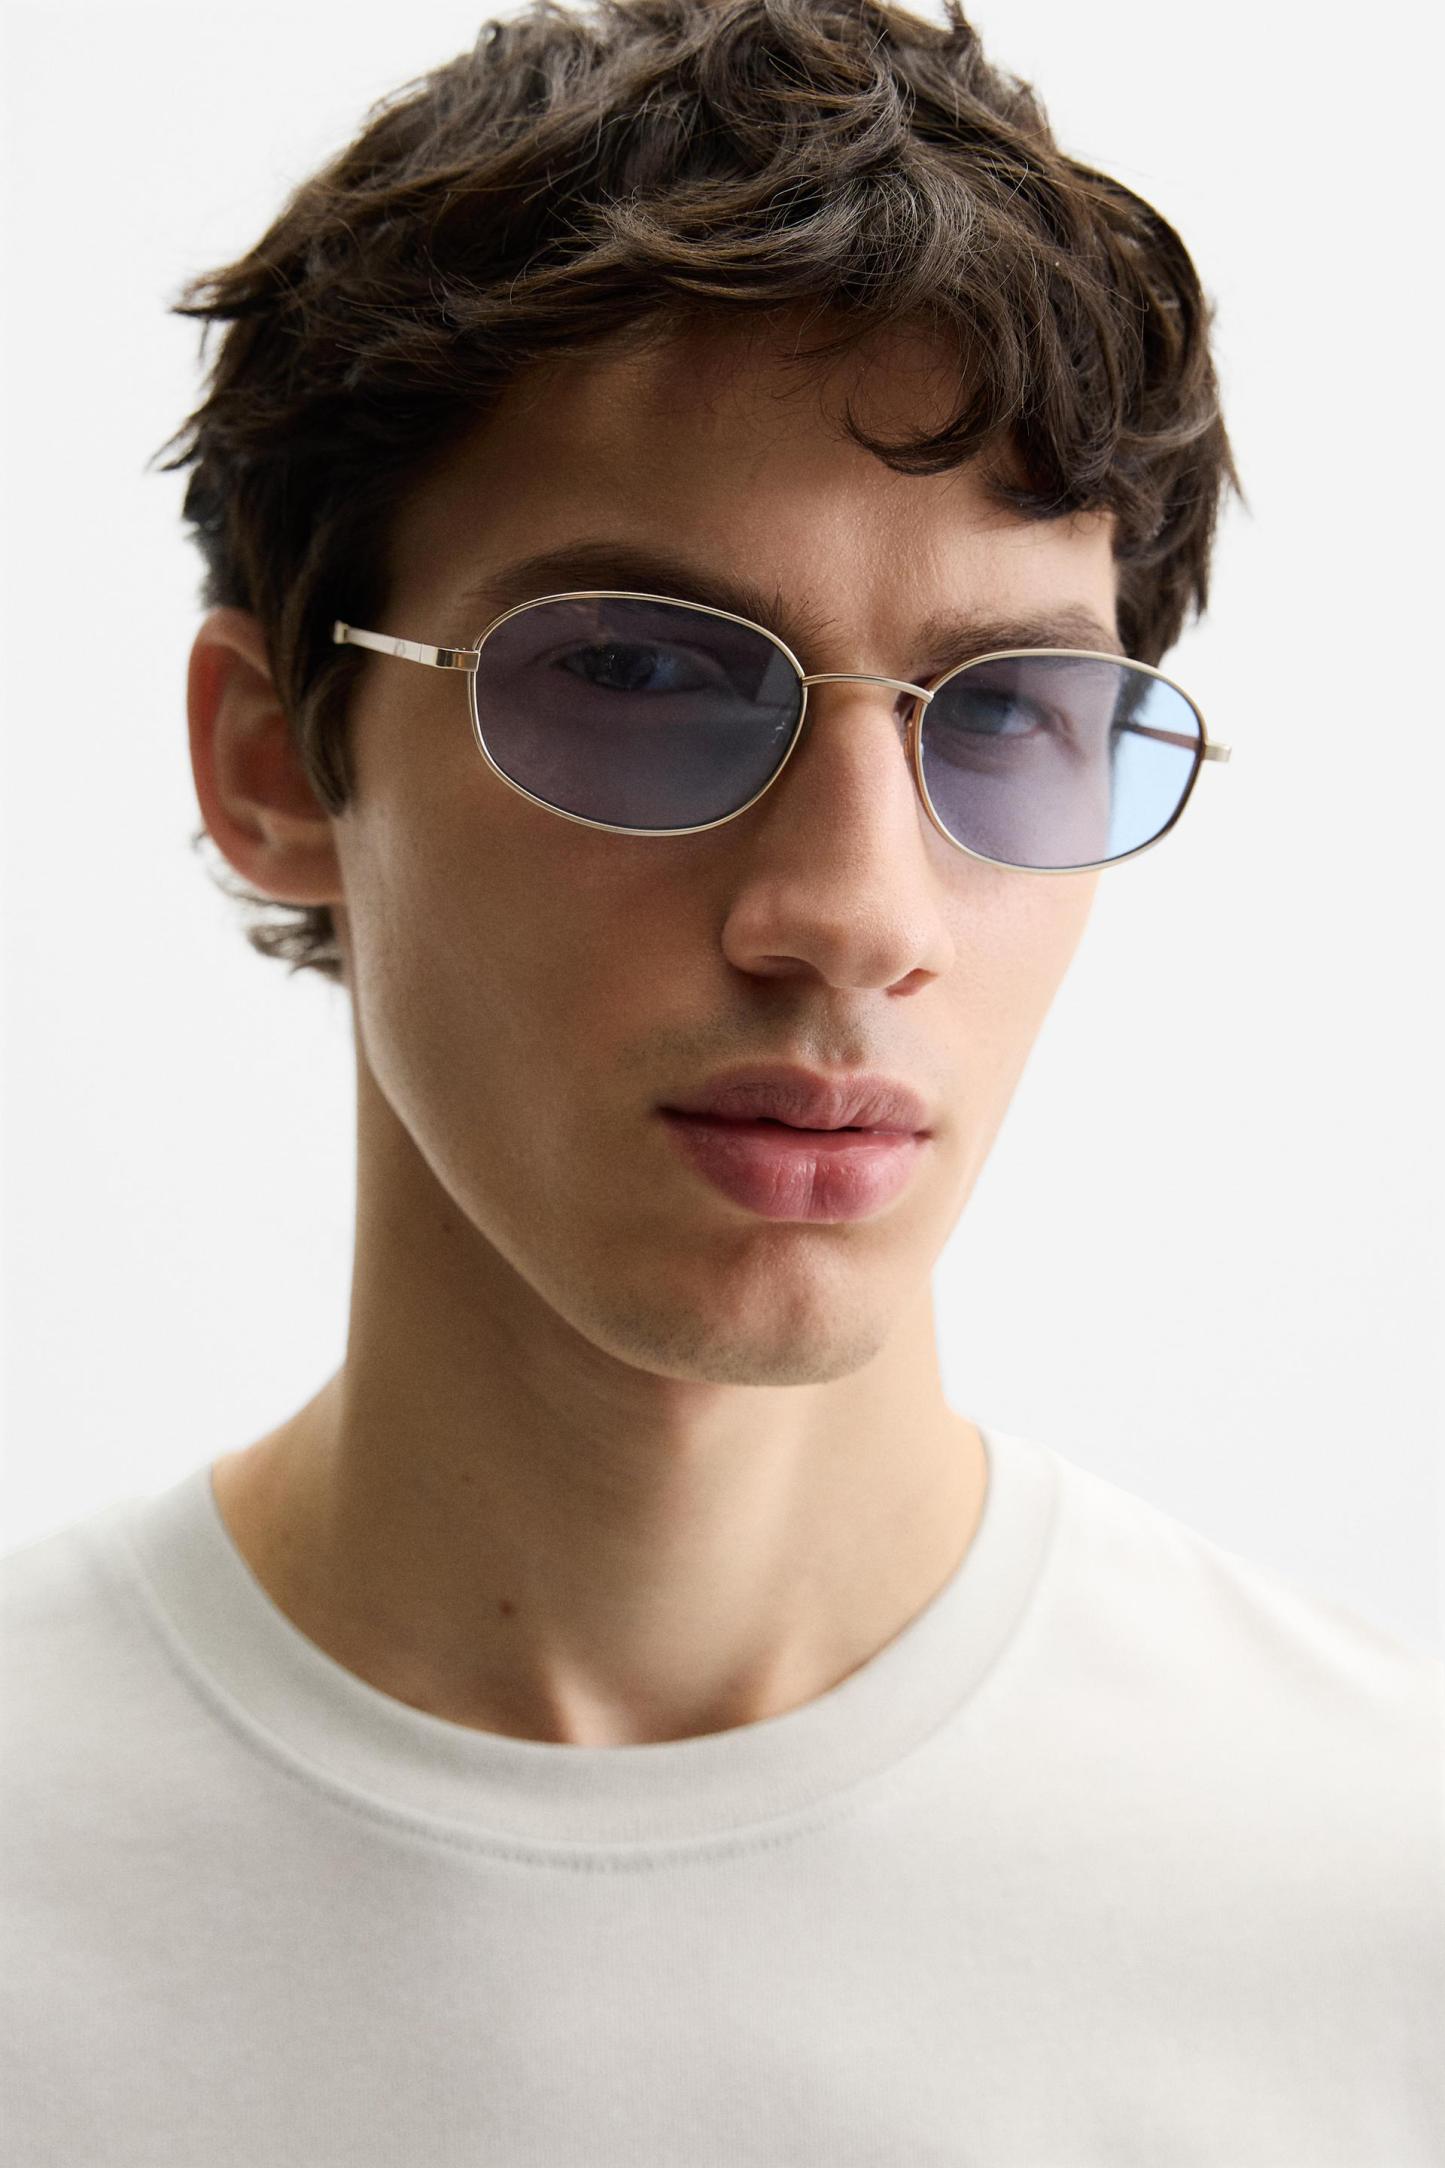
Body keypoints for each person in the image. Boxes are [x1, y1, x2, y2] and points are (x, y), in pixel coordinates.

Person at [3, 0, 1440, 2158]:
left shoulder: (1382, 1899)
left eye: (1005, 712)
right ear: (275, 762)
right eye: (638, 673)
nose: (855, 911)